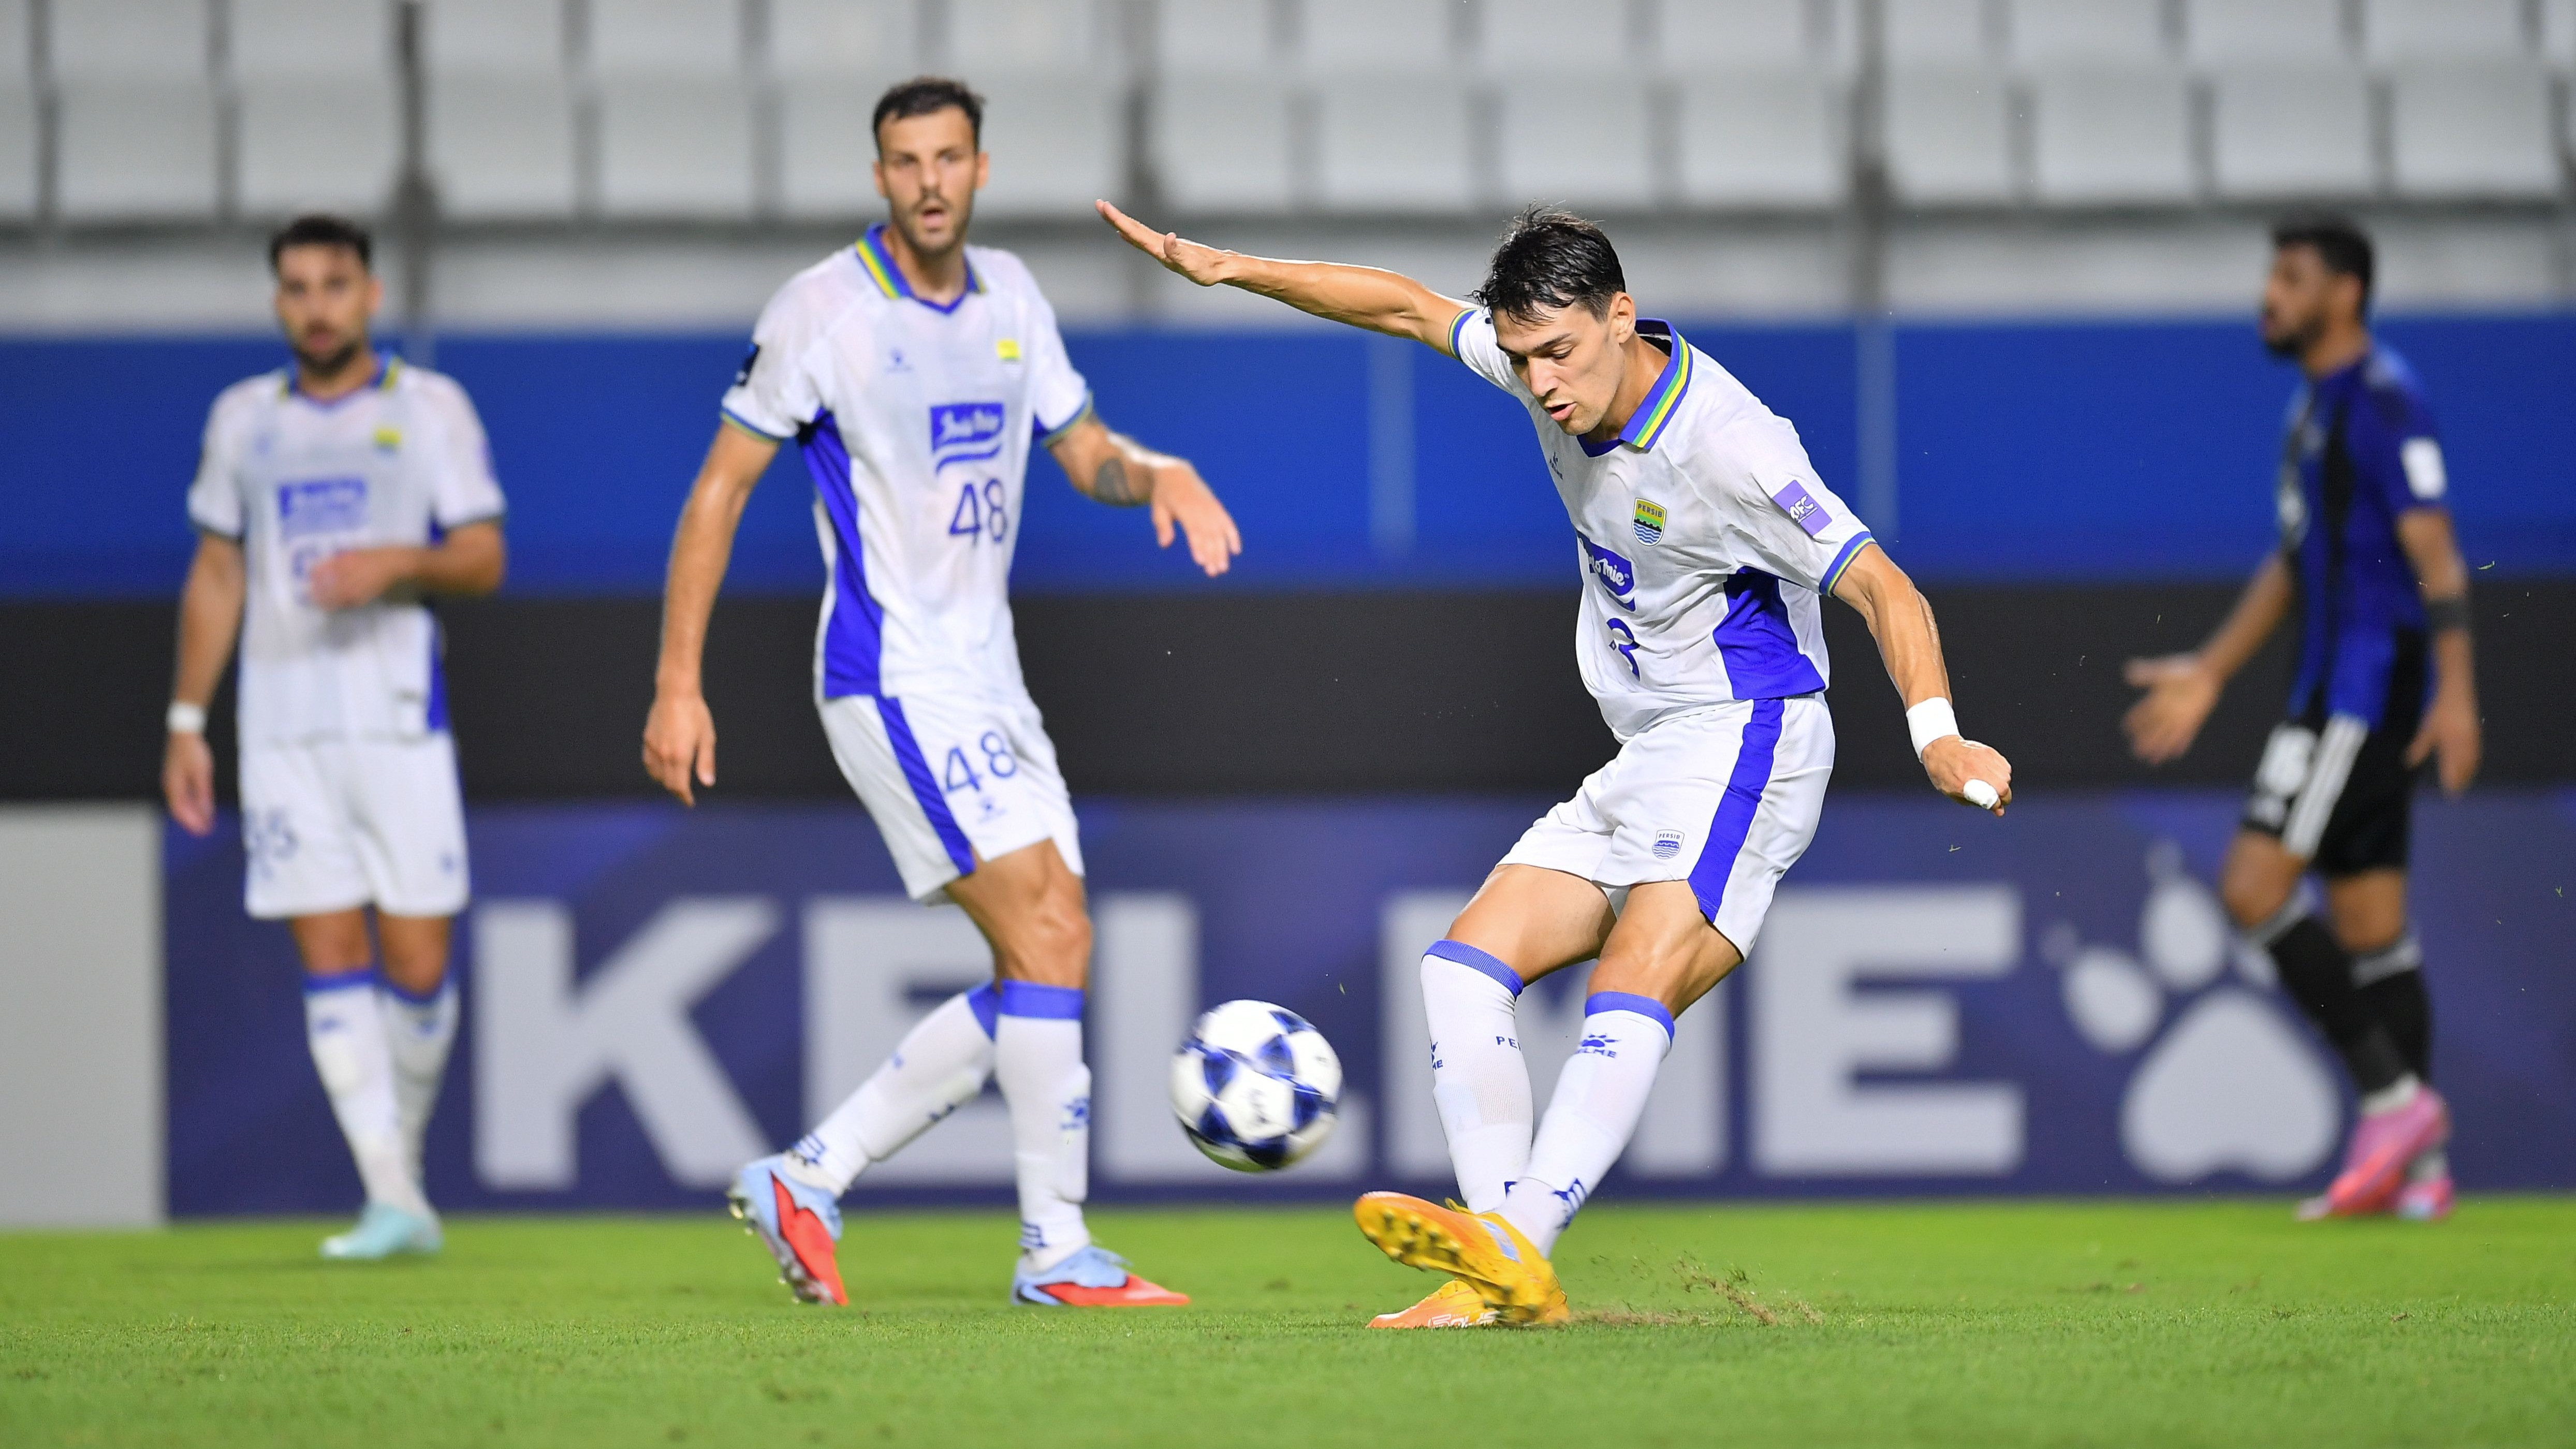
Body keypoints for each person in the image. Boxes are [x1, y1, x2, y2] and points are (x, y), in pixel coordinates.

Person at [1100, 200, 2013, 1327]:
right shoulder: (1548, 366)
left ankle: (1516, 1243)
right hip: (1649, 751)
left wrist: (1936, 733)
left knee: (1629, 980)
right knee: (1460, 969)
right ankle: (1500, 1271)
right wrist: (1231, 268)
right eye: (1521, 356)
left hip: (1750, 736)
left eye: (1560, 353)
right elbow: (1404, 306)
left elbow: (1883, 585)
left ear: (1621, 317)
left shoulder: (1731, 447)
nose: (1540, 383)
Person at [642, 78, 1240, 1309]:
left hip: (990, 675)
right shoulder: (821, 311)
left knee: (1048, 950)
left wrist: (1157, 468)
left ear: (979, 168)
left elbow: (1084, 453)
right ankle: (1053, 1248)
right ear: (881, 177)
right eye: (906, 160)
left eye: (948, 157)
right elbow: (717, 490)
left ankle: (810, 1174)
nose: (928, 180)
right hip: (891, 674)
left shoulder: (1012, 296)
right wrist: (676, 683)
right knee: (1050, 933)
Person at [164, 213, 507, 1260]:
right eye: (299, 288)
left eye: (335, 284)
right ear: (280, 302)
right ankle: (391, 1196)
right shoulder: (242, 420)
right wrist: (186, 720)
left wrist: (398, 560)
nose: (317, 306)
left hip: (397, 717)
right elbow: (218, 571)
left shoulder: (430, 407)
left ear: (370, 295)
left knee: (418, 960)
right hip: (280, 723)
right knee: (328, 949)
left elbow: (484, 555)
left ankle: (400, 1168)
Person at [2124, 215, 2476, 1223]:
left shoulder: (2382, 399)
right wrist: (2211, 669)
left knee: (2251, 887)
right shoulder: (2315, 406)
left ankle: (2394, 1104)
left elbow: (2438, 554)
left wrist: (2456, 692)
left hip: (2357, 691)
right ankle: (2421, 1171)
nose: (2268, 296)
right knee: (2371, 925)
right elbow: (2293, 564)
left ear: (2344, 293)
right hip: (2339, 684)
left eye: (2290, 278)